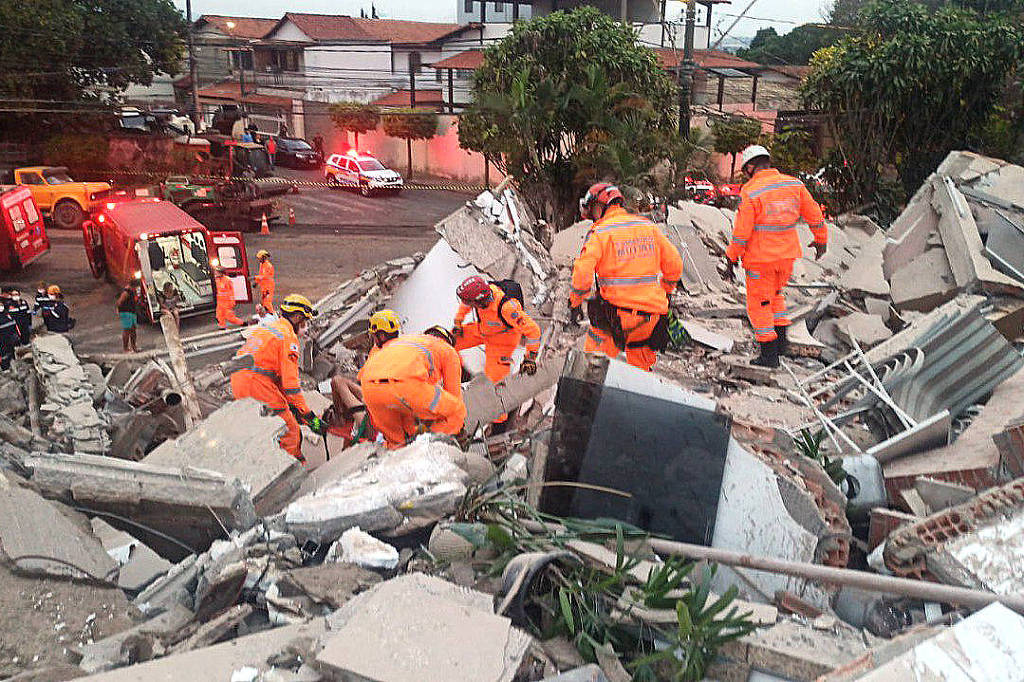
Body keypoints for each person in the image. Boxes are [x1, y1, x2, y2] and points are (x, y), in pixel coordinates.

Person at [726, 144, 827, 368]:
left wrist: (731, 257)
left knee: (759, 305)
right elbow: (815, 214)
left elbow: (742, 233)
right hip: (787, 257)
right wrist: (821, 240)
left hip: (761, 260)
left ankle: (769, 357)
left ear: (751, 167)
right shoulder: (794, 184)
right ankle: (781, 345)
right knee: (776, 297)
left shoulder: (751, 191)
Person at [570, 183, 683, 371]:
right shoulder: (648, 227)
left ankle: (590, 389)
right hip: (652, 318)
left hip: (616, 318)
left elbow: (582, 273)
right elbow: (675, 265)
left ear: (600, 206)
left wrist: (575, 303)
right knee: (641, 373)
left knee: (592, 364)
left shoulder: (600, 232)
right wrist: (666, 291)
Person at [231, 294, 322, 462]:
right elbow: (290, 385)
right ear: (296, 317)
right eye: (303, 323)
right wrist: (309, 415)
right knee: (290, 431)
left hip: (240, 382)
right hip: (257, 385)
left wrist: (290, 405)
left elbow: (274, 375)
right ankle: (289, 474)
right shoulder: (288, 337)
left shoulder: (269, 328)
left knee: (263, 428)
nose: (305, 328)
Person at [359, 325, 466, 449]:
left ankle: (400, 453)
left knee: (398, 442)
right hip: (406, 386)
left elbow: (362, 374)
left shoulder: (402, 342)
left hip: (369, 388)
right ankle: (437, 444)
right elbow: (454, 395)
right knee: (456, 410)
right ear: (448, 342)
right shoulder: (447, 350)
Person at [115, 282, 141, 352]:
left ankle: (134, 346)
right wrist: (118, 311)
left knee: (133, 330)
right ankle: (125, 348)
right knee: (127, 330)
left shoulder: (132, 291)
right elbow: (119, 302)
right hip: (126, 312)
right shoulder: (126, 292)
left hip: (132, 312)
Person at [254, 250, 275, 315]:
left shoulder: (268, 266)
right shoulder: (262, 265)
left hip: (268, 287)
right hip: (264, 287)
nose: (259, 259)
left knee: (267, 303)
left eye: (260, 258)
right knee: (263, 302)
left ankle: (273, 315)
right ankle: (268, 315)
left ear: (264, 257)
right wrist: (256, 282)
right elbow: (260, 274)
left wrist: (254, 278)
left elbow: (264, 276)